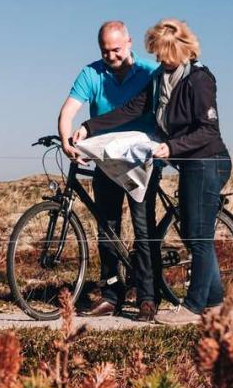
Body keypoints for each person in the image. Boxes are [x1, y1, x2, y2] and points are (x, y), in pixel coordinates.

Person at [72, 18, 230, 325]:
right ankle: (215, 303)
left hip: (207, 161)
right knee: (193, 232)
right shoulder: (160, 78)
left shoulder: (199, 79)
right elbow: (132, 108)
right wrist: (89, 127)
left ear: (178, 49)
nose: (158, 58)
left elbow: (208, 130)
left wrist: (172, 146)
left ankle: (194, 305)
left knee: (198, 236)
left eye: (162, 53)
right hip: (188, 162)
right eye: (155, 52)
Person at [58, 21, 159, 317]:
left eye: (116, 49)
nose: (111, 56)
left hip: (142, 162)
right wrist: (65, 140)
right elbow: (68, 110)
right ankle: (111, 295)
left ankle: (147, 297)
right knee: (107, 227)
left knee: (143, 227)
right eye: (105, 51)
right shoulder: (91, 73)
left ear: (129, 43)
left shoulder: (149, 72)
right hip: (106, 161)